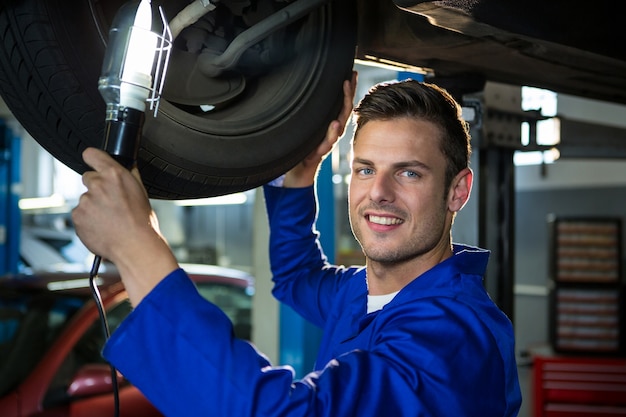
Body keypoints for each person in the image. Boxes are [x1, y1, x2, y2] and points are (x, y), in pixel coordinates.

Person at [72, 73, 522, 416]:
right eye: (365, 169)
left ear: (457, 192)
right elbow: (296, 276)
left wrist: (137, 246)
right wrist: (300, 178)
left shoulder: (457, 337)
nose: (379, 192)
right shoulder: (361, 294)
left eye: (409, 173)